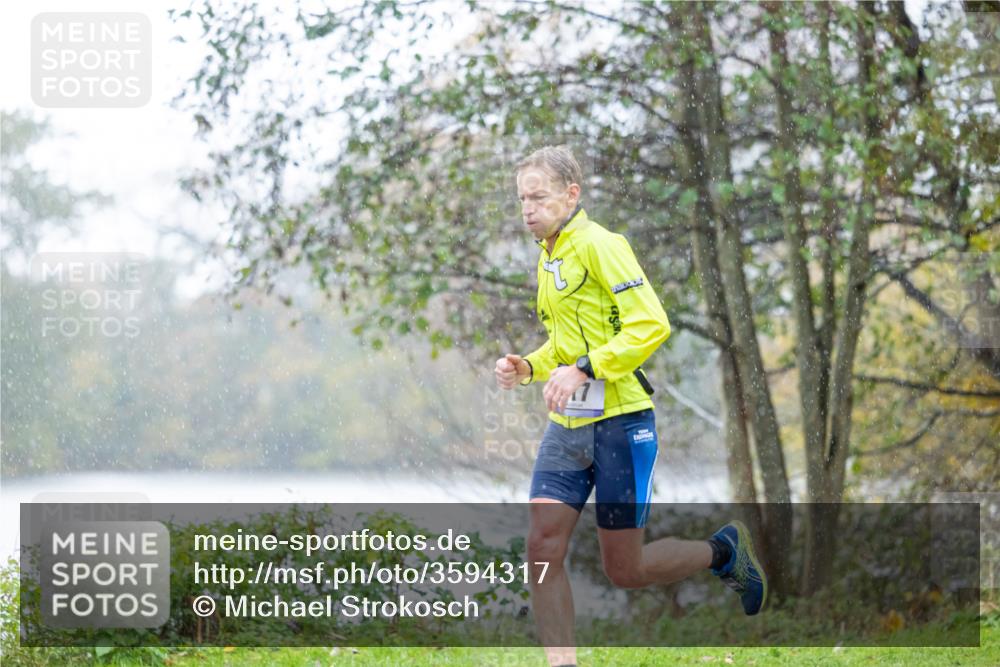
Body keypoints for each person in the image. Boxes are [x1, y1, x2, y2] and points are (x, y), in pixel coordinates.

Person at [494, 146, 766, 667]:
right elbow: (565, 345)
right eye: (522, 199)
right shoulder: (548, 255)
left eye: (539, 197)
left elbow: (650, 324)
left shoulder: (602, 245)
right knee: (541, 547)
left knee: (626, 569)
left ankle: (724, 552)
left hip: (621, 425)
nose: (527, 208)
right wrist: (528, 366)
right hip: (567, 426)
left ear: (572, 195)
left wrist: (588, 368)